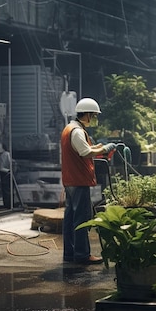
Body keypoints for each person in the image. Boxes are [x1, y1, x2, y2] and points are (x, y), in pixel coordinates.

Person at [61, 97, 116, 264]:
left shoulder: (70, 128)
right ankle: (82, 254)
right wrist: (105, 148)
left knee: (70, 218)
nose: (94, 119)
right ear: (88, 114)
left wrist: (99, 147)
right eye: (94, 115)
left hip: (71, 180)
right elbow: (85, 153)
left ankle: (70, 253)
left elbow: (84, 149)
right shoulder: (77, 131)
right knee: (82, 219)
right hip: (78, 180)